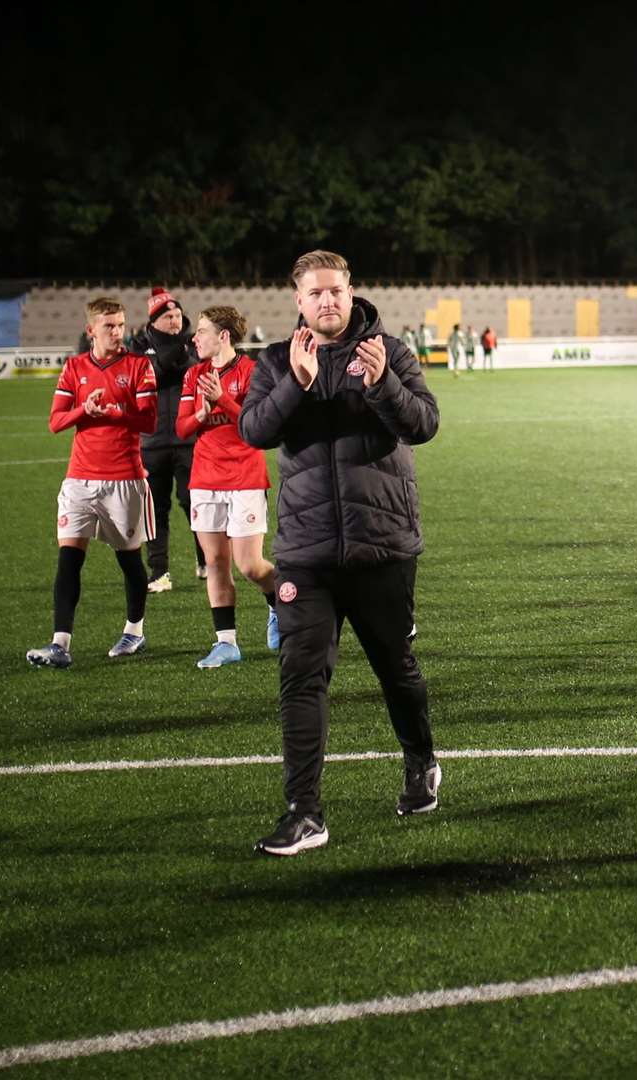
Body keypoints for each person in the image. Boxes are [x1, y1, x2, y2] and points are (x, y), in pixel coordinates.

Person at [240, 250, 441, 856]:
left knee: (394, 667)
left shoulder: (391, 352)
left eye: (335, 290)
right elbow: (255, 431)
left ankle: (420, 763)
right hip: (305, 552)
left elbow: (424, 424)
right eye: (314, 293)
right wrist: (296, 387)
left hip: (382, 546)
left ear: (351, 292)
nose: (327, 301)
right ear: (297, 301)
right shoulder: (276, 361)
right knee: (300, 678)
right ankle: (305, 813)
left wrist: (382, 385)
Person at [25, 297, 159, 669]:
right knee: (68, 559)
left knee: (130, 560)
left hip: (124, 480)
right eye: (109, 326)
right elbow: (56, 422)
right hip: (79, 479)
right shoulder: (74, 368)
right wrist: (86, 408)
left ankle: (134, 630)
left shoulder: (138, 366)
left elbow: (149, 422)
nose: (117, 332)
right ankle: (60, 644)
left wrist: (114, 411)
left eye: (120, 325)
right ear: (91, 331)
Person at [177, 305, 280, 667]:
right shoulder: (193, 375)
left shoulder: (253, 372)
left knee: (249, 565)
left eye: (202, 330)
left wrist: (222, 399)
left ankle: (278, 603)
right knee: (215, 561)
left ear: (223, 336)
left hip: (245, 476)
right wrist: (201, 415)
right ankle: (226, 643)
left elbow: (258, 423)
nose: (195, 337)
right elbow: (181, 429)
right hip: (205, 478)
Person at [132, 287, 206, 591]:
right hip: (151, 441)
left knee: (195, 503)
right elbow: (143, 377)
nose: (175, 321)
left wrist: (181, 355)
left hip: (189, 439)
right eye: (168, 316)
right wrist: (171, 357)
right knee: (155, 509)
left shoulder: (196, 343)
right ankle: (159, 572)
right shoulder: (139, 346)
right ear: (154, 322)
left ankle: (206, 562)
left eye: (177, 315)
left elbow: (199, 373)